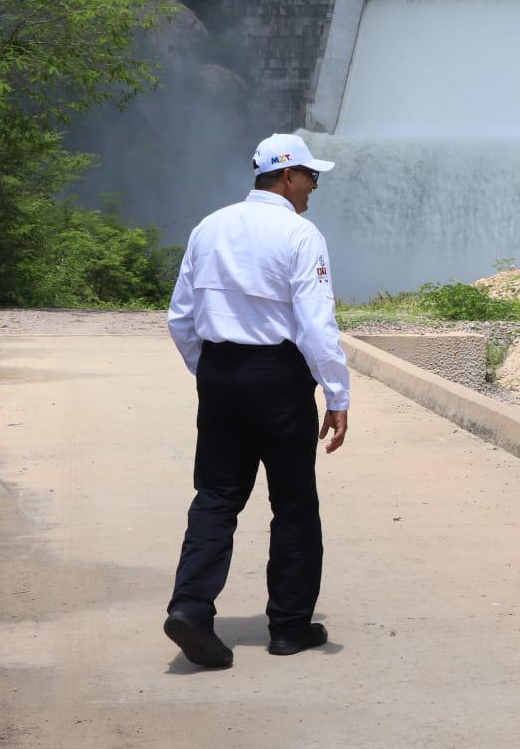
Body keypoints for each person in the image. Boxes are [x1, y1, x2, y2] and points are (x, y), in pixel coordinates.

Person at [162, 132, 351, 668]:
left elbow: (180, 317)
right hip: (279, 379)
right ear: (288, 176)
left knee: (216, 496)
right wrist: (336, 393)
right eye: (311, 176)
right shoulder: (300, 233)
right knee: (293, 502)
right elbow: (316, 324)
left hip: (220, 374)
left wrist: (213, 372)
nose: (314, 186)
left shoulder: (209, 227)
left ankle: (190, 608)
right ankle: (289, 627)